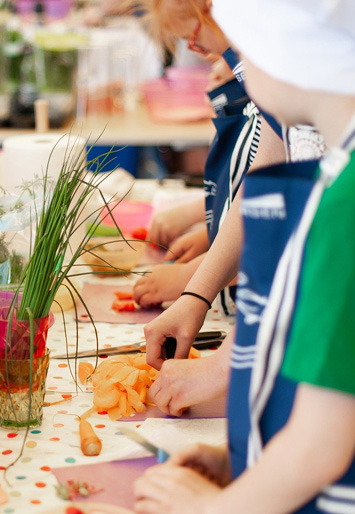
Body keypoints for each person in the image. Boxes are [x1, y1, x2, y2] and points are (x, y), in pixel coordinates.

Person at [133, 1, 355, 514]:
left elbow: (322, 445)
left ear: (296, 53)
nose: (240, 69)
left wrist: (213, 513)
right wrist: (252, 469)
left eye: (250, 49)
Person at [131, 0, 269, 311]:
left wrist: (190, 280)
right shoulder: (264, 92)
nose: (196, 49)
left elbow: (271, 236)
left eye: (193, 37)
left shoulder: (273, 99)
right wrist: (213, 236)